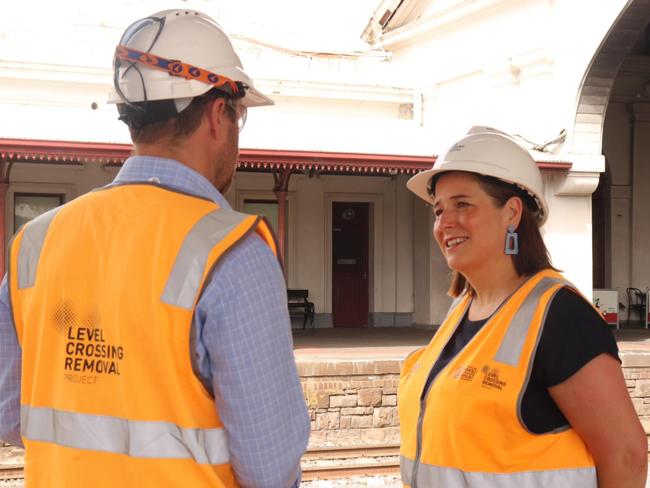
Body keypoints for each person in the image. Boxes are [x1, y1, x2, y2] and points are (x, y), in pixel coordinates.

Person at [0, 9, 310, 487]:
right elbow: (269, 468)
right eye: (239, 115)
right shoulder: (232, 254)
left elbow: (10, 417)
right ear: (217, 114)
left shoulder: (34, 243)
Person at [399, 129, 647, 488]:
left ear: (512, 213)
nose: (444, 223)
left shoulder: (560, 316)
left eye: (462, 205)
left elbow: (627, 455)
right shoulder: (462, 310)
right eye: (438, 210)